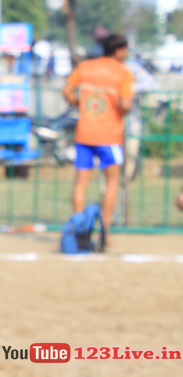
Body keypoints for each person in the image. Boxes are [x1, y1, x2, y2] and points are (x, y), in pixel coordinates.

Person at [63, 33, 134, 238]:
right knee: (112, 183)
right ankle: (106, 231)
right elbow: (126, 104)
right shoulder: (123, 73)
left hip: (84, 133)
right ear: (118, 51)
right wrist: (119, 110)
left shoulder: (85, 67)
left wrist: (79, 104)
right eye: (125, 50)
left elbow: (67, 91)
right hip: (109, 136)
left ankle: (79, 231)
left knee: (80, 183)